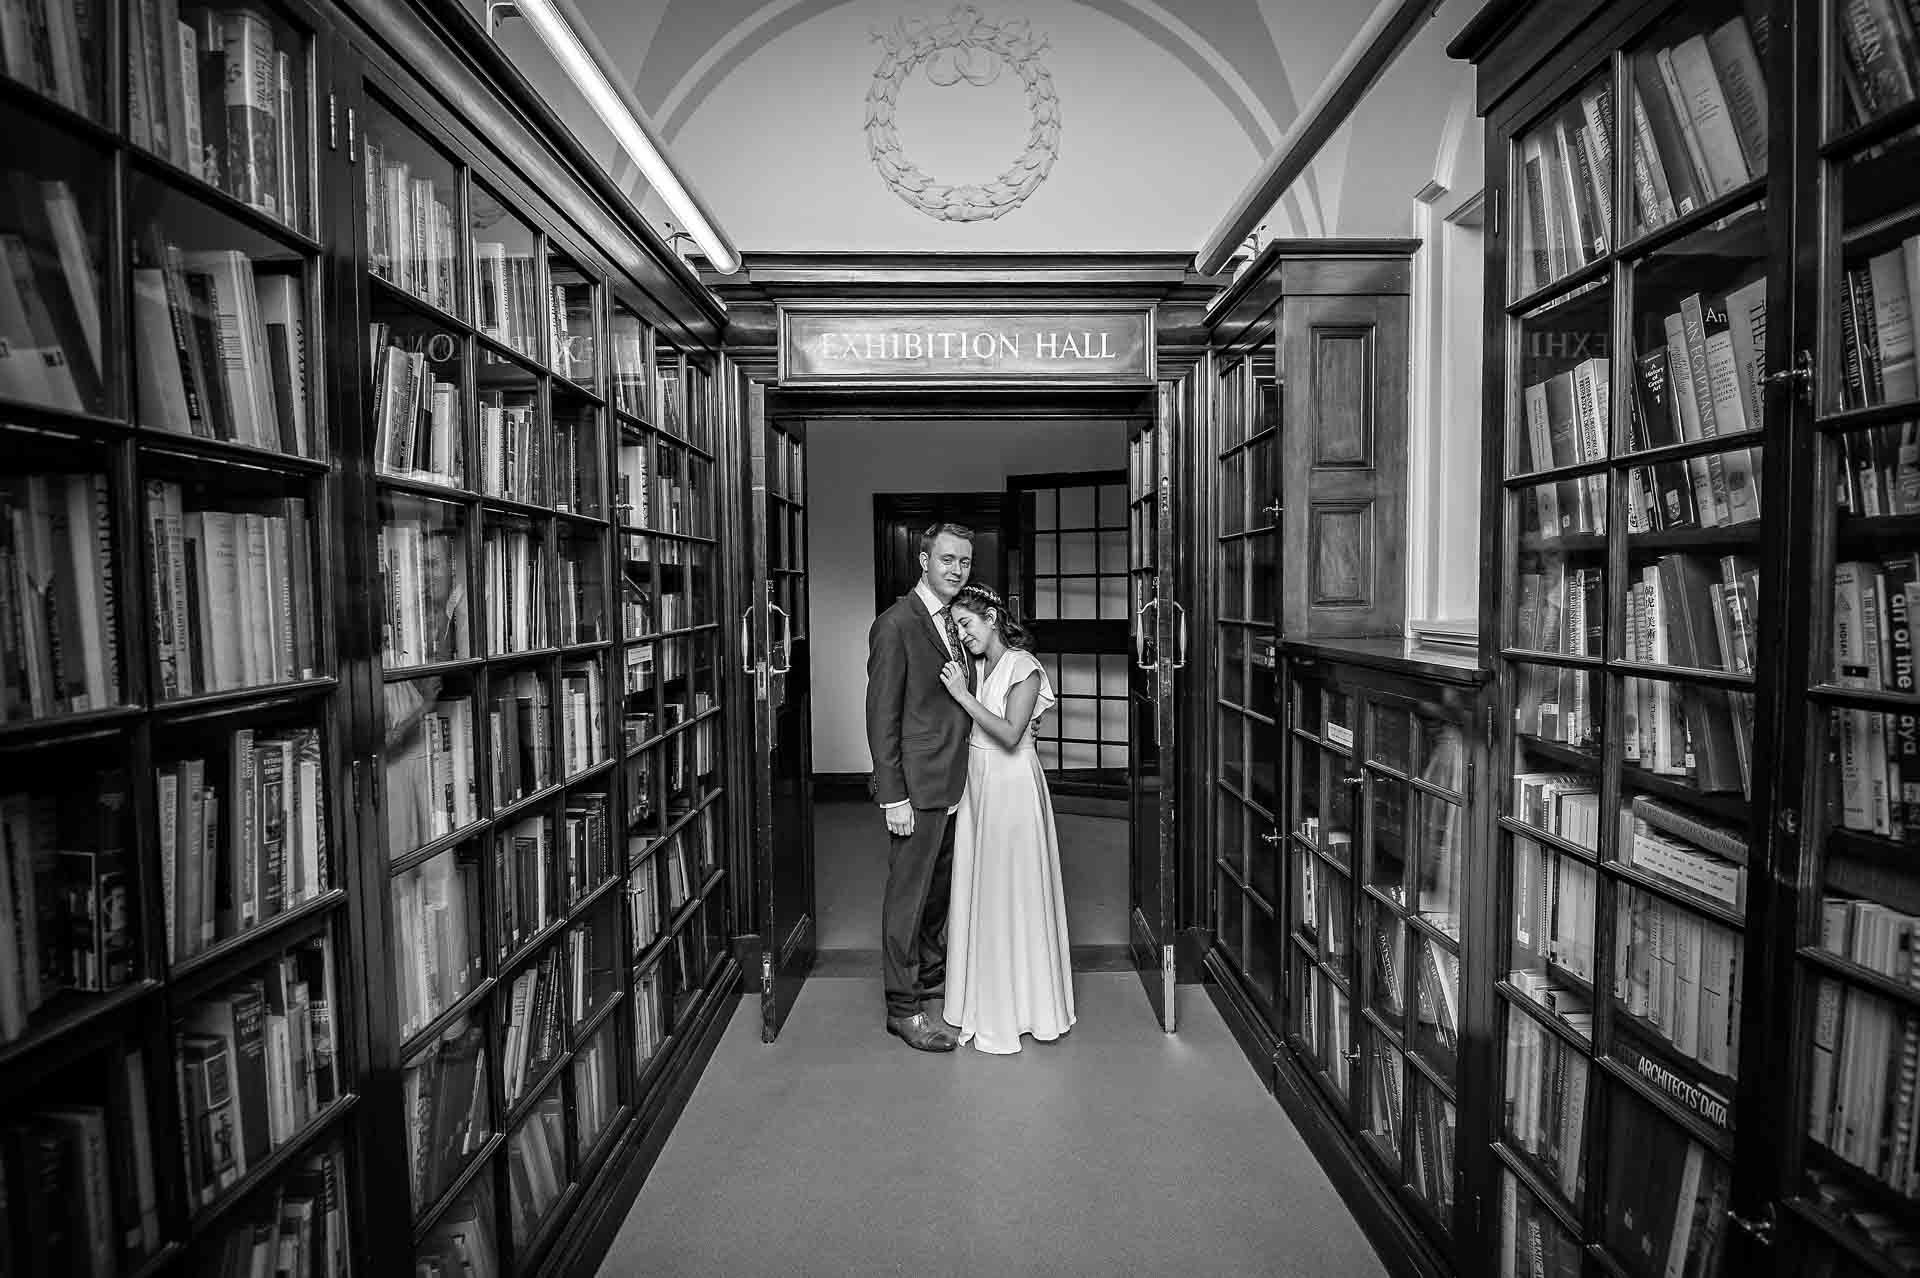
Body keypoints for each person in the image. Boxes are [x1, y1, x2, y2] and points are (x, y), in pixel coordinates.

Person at [937, 582, 1075, 1054]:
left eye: (967, 624)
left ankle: (1023, 1005)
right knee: (983, 885)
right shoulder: (977, 665)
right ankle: (982, 994)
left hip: (1012, 784)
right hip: (979, 783)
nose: (962, 634)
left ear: (992, 618)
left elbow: (1013, 734)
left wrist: (961, 696)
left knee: (1011, 886)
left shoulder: (1024, 667)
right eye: (956, 626)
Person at [865, 523, 976, 1052]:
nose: (956, 570)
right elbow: (881, 717)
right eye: (947, 559)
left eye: (965, 562)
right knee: (907, 899)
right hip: (917, 787)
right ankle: (902, 1008)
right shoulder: (896, 624)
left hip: (954, 782)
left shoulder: (954, 622)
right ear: (923, 560)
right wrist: (894, 796)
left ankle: (929, 976)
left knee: (937, 893)